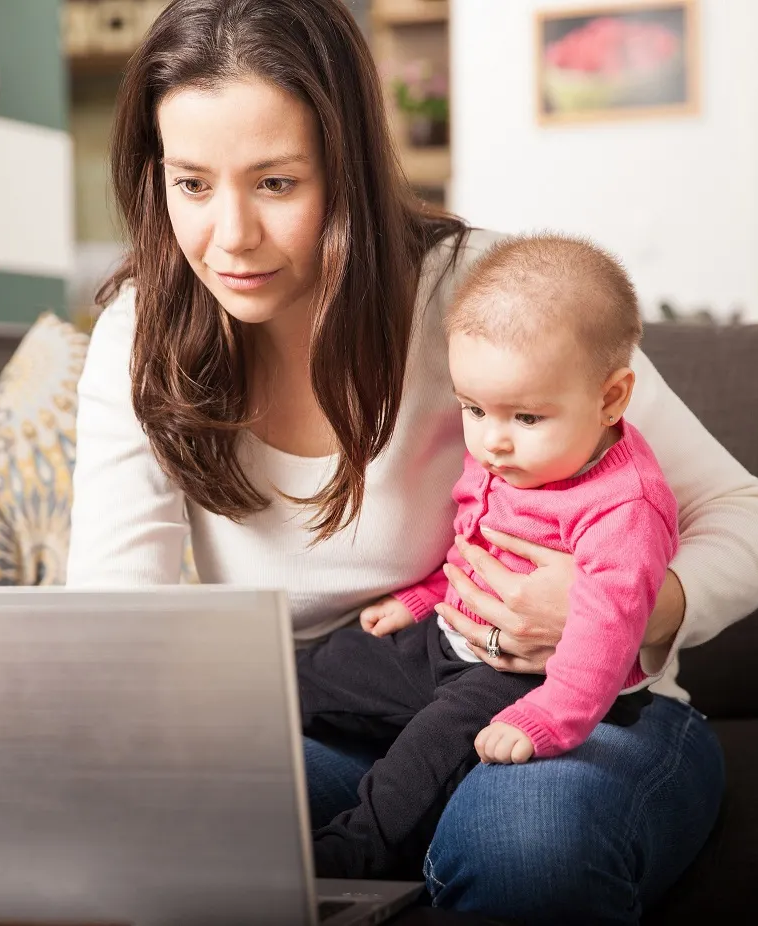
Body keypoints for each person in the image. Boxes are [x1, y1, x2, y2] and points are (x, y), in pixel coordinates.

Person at [65, 1, 758, 922]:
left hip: (571, 711)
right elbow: (113, 618)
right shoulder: (144, 331)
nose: (231, 237)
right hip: (331, 717)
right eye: (192, 185)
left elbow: (755, 520)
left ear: (349, 171)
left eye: (278, 184)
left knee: (525, 851)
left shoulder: (489, 294)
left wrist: (630, 606)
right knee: (139, 823)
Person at [297, 233, 680, 880]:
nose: (493, 442)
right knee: (312, 673)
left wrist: (547, 718)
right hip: (446, 638)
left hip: (529, 680)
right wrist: (425, 597)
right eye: (474, 409)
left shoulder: (624, 506)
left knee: (427, 751)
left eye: (526, 417)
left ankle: (347, 859)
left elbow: (608, 634)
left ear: (611, 398)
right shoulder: (512, 454)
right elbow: (476, 544)